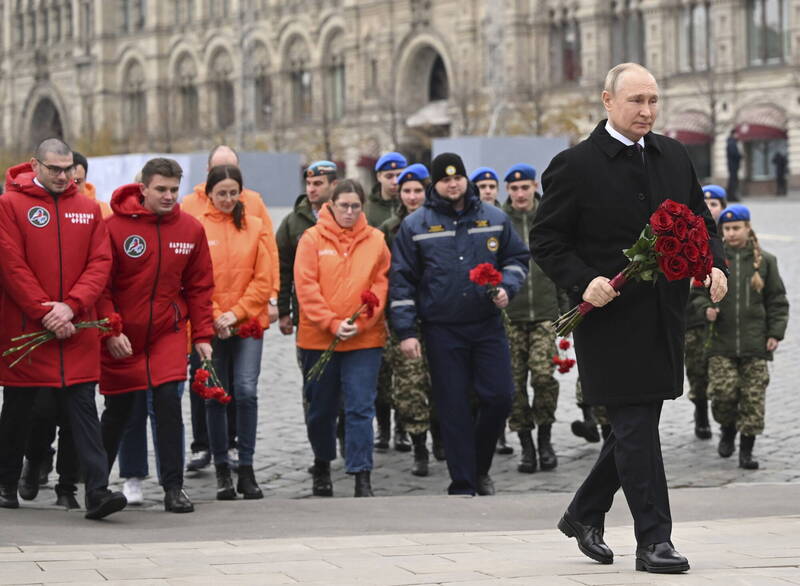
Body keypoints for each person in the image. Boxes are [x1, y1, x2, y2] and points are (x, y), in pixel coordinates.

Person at [532, 63, 728, 573]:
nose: (647, 110)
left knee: (634, 425)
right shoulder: (574, 165)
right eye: (636, 100)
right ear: (607, 100)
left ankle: (583, 512)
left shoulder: (675, 155)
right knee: (637, 425)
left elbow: (700, 222)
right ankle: (654, 541)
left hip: (664, 315)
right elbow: (546, 241)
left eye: (654, 100)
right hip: (608, 319)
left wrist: (714, 265)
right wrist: (583, 280)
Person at [0, 138, 126, 519]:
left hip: (77, 329)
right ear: (35, 166)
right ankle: (6, 484)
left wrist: (70, 307)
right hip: (27, 331)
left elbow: (100, 264)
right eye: (53, 168)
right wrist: (45, 312)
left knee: (84, 410)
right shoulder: (9, 206)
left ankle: (98, 492)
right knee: (19, 411)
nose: (61, 176)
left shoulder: (88, 210)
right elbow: (11, 264)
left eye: (67, 168)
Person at [391, 152, 529, 496]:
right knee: (452, 406)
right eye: (445, 179)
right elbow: (402, 281)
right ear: (434, 184)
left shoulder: (494, 217)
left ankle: (479, 465)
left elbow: (516, 258)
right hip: (442, 328)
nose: (453, 184)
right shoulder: (416, 225)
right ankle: (464, 481)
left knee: (499, 397)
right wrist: (406, 332)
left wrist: (506, 288)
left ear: (465, 179)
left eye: (458, 178)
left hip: (486, 325)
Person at [98, 157, 214, 514]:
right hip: (124, 335)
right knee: (121, 408)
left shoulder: (190, 230)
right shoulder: (113, 228)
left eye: (174, 190)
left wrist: (203, 335)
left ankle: (173, 488)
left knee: (167, 402)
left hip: (167, 331)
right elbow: (100, 286)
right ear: (143, 188)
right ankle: (96, 485)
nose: (168, 196)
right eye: (161, 189)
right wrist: (110, 328)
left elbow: (200, 287)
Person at [182, 145, 279, 473]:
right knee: (211, 389)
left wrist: (238, 312)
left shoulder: (253, 219)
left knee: (245, 389)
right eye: (221, 193)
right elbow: (190, 277)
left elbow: (264, 273)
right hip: (210, 322)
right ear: (208, 188)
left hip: (245, 319)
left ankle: (243, 456)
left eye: (233, 193)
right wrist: (213, 314)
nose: (227, 199)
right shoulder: (193, 219)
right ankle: (212, 451)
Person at [295, 179, 390, 497]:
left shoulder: (376, 239)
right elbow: (306, 287)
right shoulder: (311, 239)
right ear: (331, 206)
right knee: (321, 407)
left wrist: (361, 321)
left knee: (361, 407)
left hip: (364, 339)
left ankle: (361, 472)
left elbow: (380, 284)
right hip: (319, 338)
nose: (349, 212)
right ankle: (322, 462)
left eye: (355, 206)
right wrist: (332, 323)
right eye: (343, 206)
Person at [692, 204, 788, 469]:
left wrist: (775, 333)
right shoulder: (712, 262)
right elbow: (695, 295)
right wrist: (705, 310)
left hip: (755, 343)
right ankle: (728, 428)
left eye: (737, 228)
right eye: (727, 228)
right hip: (721, 343)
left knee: (753, 398)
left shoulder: (765, 261)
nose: (732, 233)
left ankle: (746, 451)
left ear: (748, 228)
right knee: (722, 394)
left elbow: (777, 301)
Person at [275, 161, 345, 464]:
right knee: (314, 388)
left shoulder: (347, 213)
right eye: (309, 183)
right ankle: (321, 452)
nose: (311, 189)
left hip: (346, 317)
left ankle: (346, 441)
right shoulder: (293, 222)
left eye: (318, 183)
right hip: (309, 321)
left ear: (333, 185)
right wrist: (284, 311)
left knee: (347, 388)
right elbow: (283, 270)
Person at [502, 163, 566, 473]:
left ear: (534, 186)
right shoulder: (500, 221)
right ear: (507, 191)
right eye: (513, 189)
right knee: (514, 384)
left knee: (543, 376)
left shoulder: (549, 217)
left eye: (524, 187)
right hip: (510, 316)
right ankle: (526, 444)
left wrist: (567, 309)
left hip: (544, 312)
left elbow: (562, 261)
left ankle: (545, 438)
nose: (519, 193)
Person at [379, 164, 441, 476]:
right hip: (404, 316)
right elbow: (382, 276)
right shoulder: (389, 229)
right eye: (407, 191)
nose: (413, 196)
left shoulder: (438, 222)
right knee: (409, 383)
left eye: (418, 190)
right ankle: (419, 446)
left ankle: (441, 435)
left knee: (440, 380)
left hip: (438, 315)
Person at [366, 151, 411, 453]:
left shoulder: (412, 203)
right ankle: (383, 427)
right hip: (379, 299)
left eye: (400, 175)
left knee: (407, 370)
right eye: (389, 176)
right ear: (379, 177)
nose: (395, 182)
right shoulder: (368, 211)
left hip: (406, 298)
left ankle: (403, 428)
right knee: (382, 371)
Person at [684, 184, 728, 440]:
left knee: (724, 377)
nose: (710, 208)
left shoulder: (735, 238)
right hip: (695, 319)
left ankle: (726, 421)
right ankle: (701, 413)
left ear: (723, 208)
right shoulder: (690, 236)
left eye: (715, 204)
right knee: (697, 370)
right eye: (706, 204)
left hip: (725, 322)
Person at [73, 152, 112, 218]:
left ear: (85, 179)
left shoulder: (102, 209)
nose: (72, 186)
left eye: (77, 181)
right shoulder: (53, 209)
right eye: (67, 182)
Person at [726, 129, 742, 202]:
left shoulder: (731, 142)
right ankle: (731, 197)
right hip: (733, 165)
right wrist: (740, 156)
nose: (738, 136)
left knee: (733, 180)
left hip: (732, 165)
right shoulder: (732, 143)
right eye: (737, 134)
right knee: (733, 181)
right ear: (734, 134)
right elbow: (733, 154)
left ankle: (731, 196)